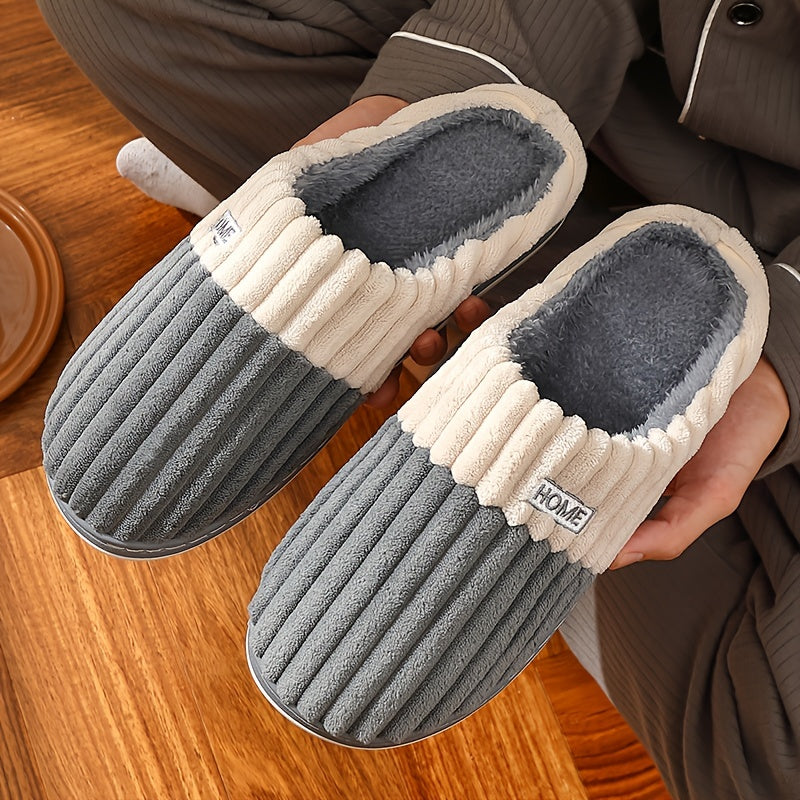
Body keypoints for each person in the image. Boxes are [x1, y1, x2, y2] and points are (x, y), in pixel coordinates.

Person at [36, 1, 799, 796]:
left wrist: (783, 365)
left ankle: (428, 307)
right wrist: (410, 99)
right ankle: (436, 249)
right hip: (613, 79)